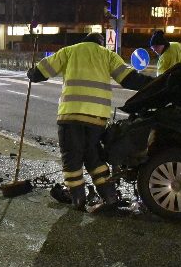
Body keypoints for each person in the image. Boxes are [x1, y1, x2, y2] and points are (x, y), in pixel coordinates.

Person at [27, 32, 152, 211]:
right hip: (97, 119)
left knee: (72, 157)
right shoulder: (107, 55)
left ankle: (78, 199)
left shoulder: (69, 51)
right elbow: (130, 79)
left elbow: (40, 73)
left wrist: (31, 73)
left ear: (84, 41)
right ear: (100, 43)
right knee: (93, 156)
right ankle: (109, 196)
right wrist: (156, 82)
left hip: (71, 116)